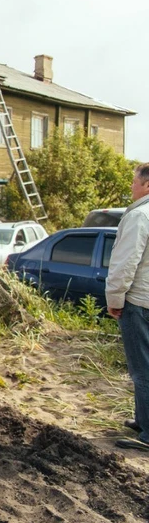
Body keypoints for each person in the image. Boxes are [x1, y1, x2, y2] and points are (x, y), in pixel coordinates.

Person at [107, 162, 149, 453]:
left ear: (147, 184)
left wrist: (115, 299)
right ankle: (141, 418)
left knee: (142, 368)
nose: (132, 185)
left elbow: (125, 264)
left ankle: (147, 434)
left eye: (134, 180)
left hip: (139, 302)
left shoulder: (139, 216)